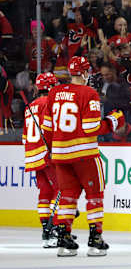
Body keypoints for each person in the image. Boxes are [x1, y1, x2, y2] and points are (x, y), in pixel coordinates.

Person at [41, 56, 125, 257]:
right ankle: (95, 239)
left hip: (61, 155)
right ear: (86, 73)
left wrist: (54, 151)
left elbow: (46, 127)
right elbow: (91, 127)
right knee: (94, 195)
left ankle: (64, 240)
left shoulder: (54, 92)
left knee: (67, 198)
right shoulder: (89, 93)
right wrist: (114, 120)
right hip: (84, 154)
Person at [22, 72, 59, 248]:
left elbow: (24, 139)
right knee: (61, 190)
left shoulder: (29, 107)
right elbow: (53, 129)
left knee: (44, 193)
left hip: (32, 156)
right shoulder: (51, 104)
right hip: (47, 155)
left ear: (38, 88)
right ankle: (55, 229)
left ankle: (46, 227)